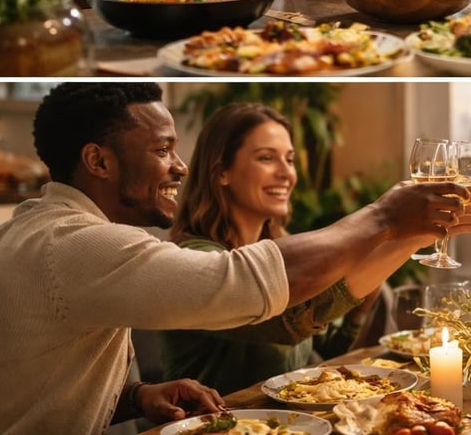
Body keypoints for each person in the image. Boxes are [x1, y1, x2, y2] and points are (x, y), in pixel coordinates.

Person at [0, 83, 471, 435]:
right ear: (98, 163)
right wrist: (382, 218)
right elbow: (245, 285)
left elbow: (28, 376)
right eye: (161, 150)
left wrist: (132, 397)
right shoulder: (73, 243)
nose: (179, 166)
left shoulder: (47, 229)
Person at [160, 102, 410, 394]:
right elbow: (284, 327)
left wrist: (357, 311)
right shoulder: (196, 262)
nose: (286, 174)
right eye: (266, 158)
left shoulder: (280, 248)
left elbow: (318, 361)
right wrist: (383, 225)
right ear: (221, 172)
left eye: (290, 160)